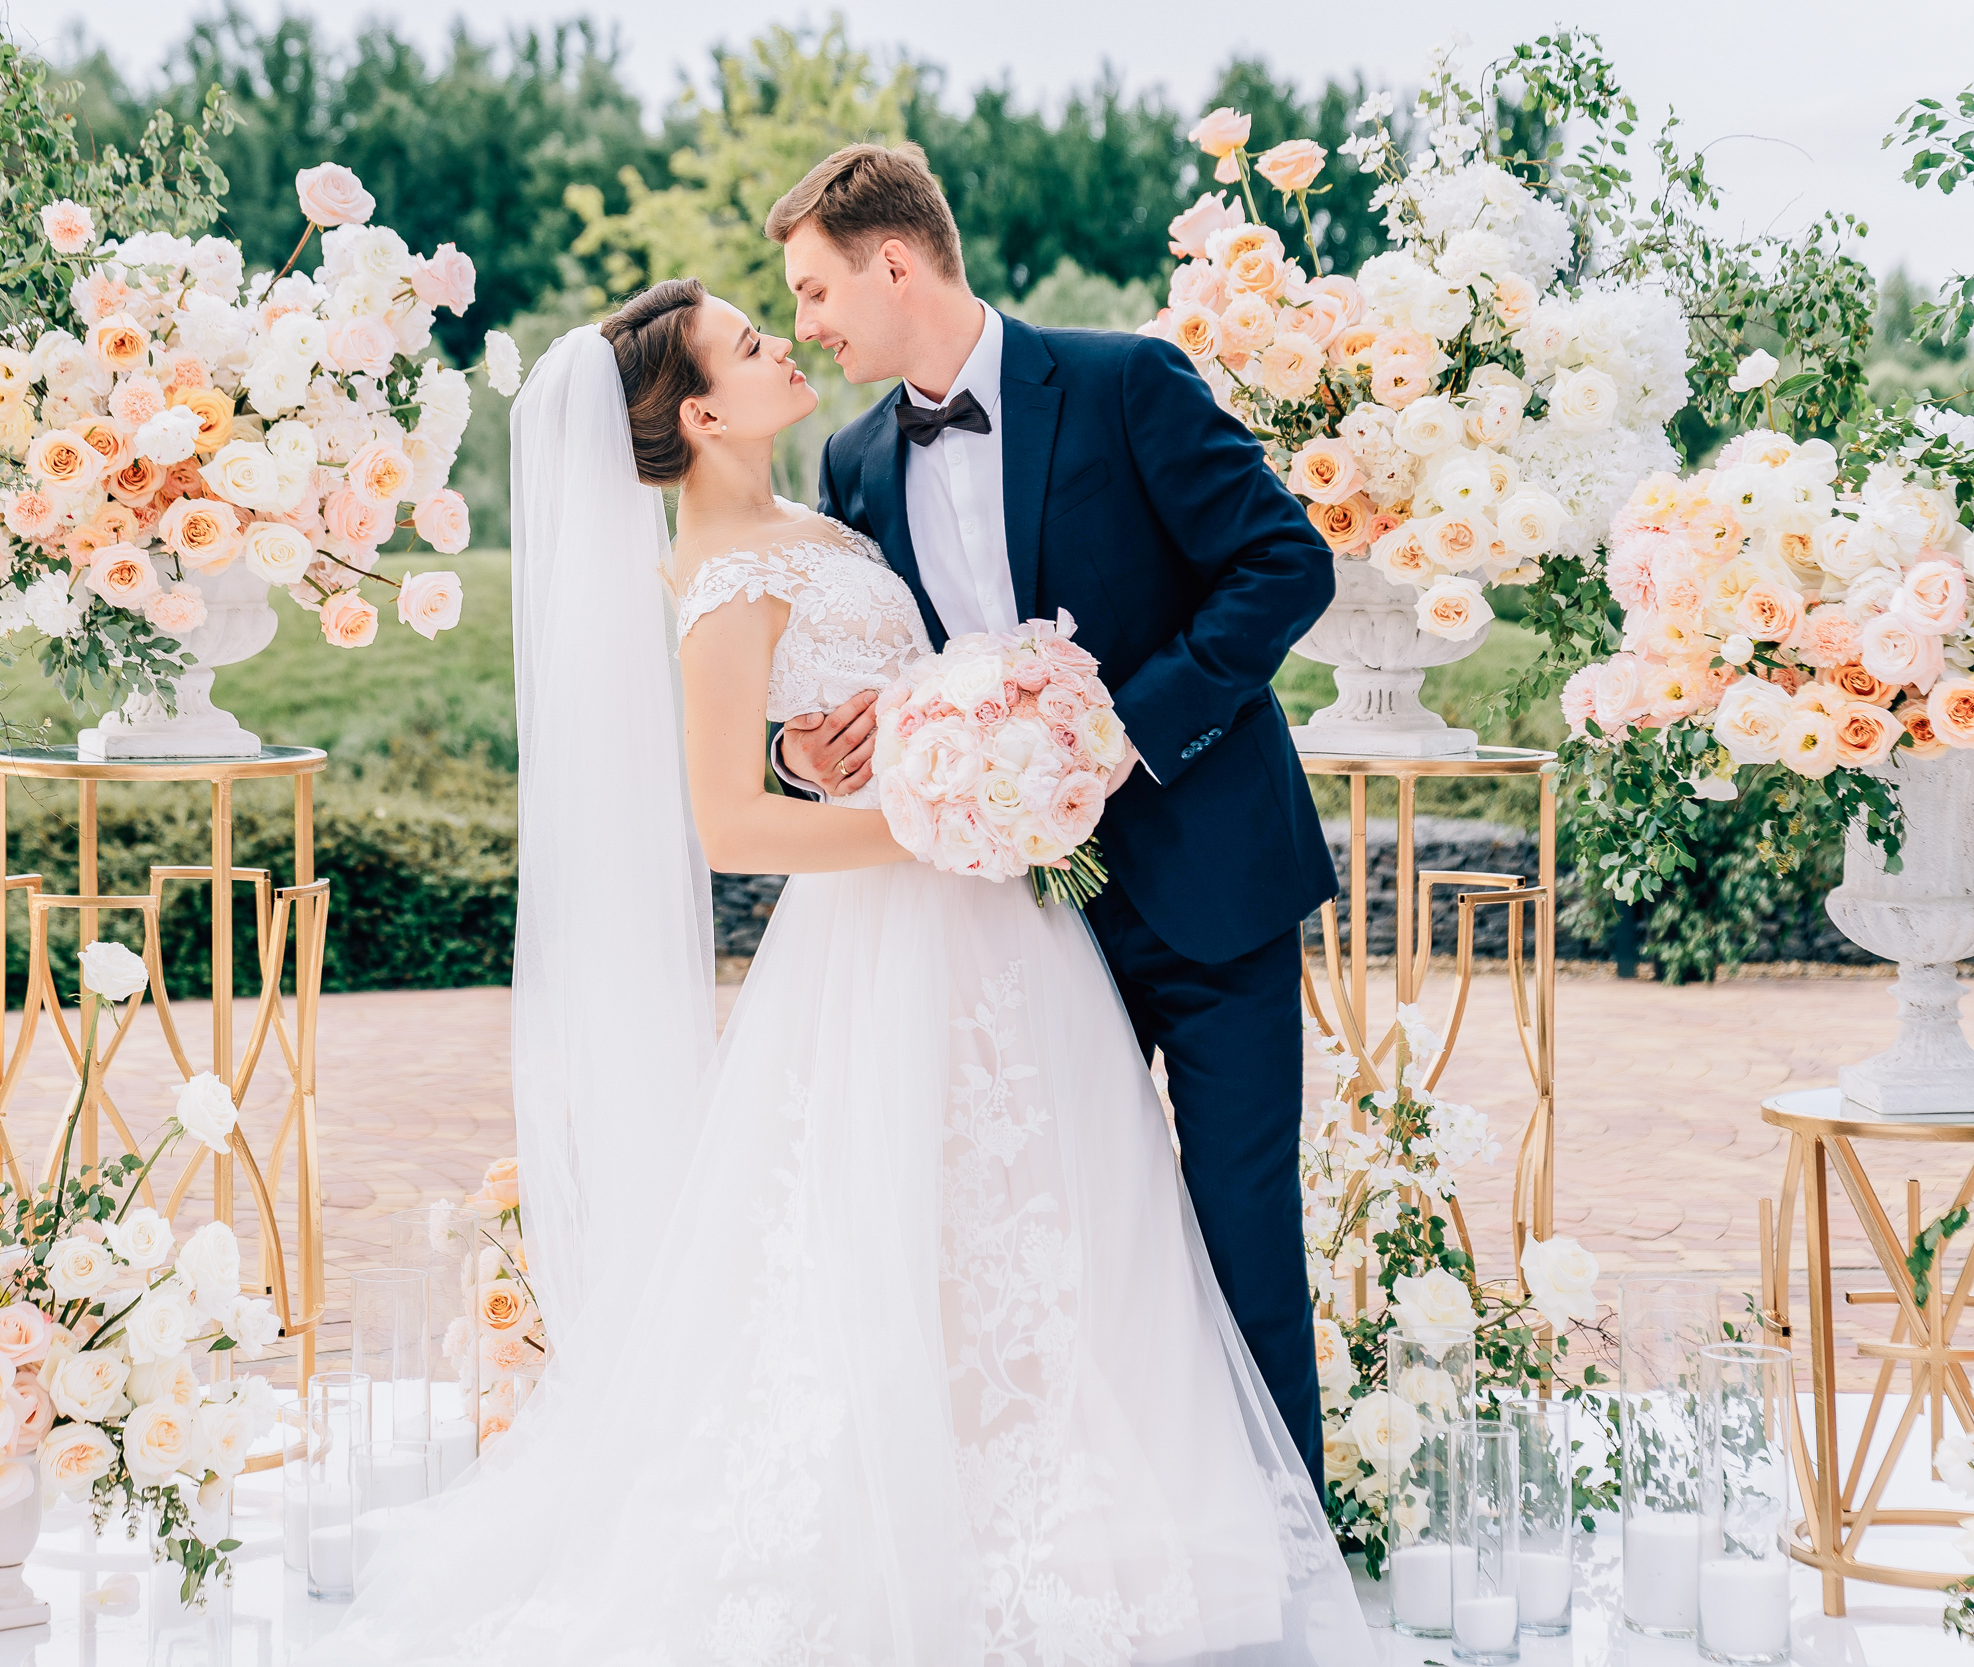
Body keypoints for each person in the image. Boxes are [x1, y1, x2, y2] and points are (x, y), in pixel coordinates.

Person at [305, 269, 1369, 1664]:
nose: (789, 337)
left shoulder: (833, 495)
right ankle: (928, 1526)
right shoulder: (719, 576)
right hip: (901, 926)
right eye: (755, 337)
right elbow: (729, 824)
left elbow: (891, 684)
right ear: (699, 410)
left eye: (795, 305)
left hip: (1015, 920)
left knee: (1059, 1222)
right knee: (900, 1233)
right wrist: (938, 816)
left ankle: (1137, 1507)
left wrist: (879, 755)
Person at [768, 143, 1340, 1484]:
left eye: (812, 291)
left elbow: (1283, 564)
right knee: (1059, 1239)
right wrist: (809, 752)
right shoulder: (854, 462)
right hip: (1020, 921)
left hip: (1209, 884)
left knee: (1241, 1225)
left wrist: (1116, 731)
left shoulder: (1122, 380)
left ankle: (1287, 1547)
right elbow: (858, 682)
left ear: (893, 262)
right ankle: (1113, 1538)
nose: (806, 325)